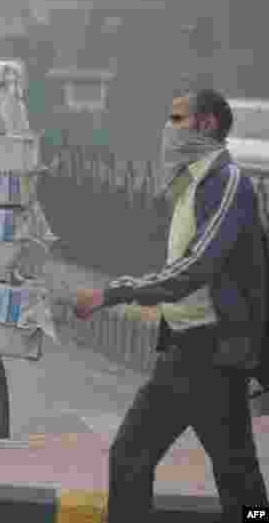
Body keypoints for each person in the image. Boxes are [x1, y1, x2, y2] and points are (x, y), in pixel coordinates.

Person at [74, 88, 268, 521]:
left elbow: (195, 268)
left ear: (207, 124)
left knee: (146, 458)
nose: (167, 129)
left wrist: (114, 292)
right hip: (190, 350)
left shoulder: (228, 183)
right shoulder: (193, 183)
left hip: (210, 352)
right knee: (227, 472)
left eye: (176, 118)